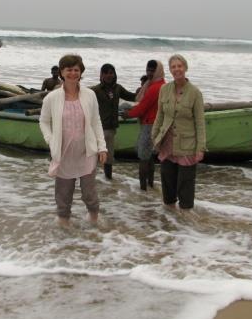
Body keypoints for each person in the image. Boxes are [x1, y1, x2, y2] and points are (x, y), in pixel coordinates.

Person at [39, 54, 108, 227]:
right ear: (62, 72)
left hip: (86, 152)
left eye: (76, 70)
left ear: (81, 72)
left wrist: (102, 147)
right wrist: (50, 139)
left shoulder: (90, 95)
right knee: (63, 194)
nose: (73, 73)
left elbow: (95, 121)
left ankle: (94, 219)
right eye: (69, 69)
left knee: (89, 193)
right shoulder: (52, 98)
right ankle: (64, 224)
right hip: (63, 153)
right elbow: (44, 121)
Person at [152, 54, 206, 210]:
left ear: (185, 68)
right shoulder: (164, 89)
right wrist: (154, 136)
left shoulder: (195, 93)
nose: (177, 69)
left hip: (187, 145)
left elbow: (200, 123)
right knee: (167, 182)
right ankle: (170, 217)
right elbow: (160, 115)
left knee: (185, 184)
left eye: (179, 66)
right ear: (170, 70)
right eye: (173, 67)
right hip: (167, 143)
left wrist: (200, 148)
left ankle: (185, 220)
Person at [123, 60, 165, 190]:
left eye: (152, 70)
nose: (149, 73)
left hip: (149, 125)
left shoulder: (154, 87)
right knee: (150, 157)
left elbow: (142, 108)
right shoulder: (162, 85)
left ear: (158, 71)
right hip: (156, 124)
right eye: (148, 70)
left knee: (143, 158)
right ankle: (150, 185)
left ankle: (143, 190)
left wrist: (128, 114)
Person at [90, 64, 137, 179]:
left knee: (108, 157)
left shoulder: (118, 88)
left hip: (111, 128)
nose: (109, 75)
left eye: (111, 73)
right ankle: (94, 180)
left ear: (115, 74)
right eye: (106, 73)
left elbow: (132, 97)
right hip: (99, 128)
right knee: (98, 156)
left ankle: (107, 181)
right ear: (101, 75)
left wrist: (144, 92)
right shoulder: (95, 90)